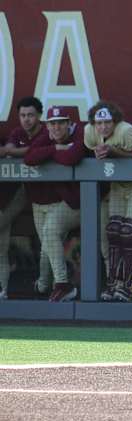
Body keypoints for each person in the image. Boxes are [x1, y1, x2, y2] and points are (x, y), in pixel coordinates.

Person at [84, 100, 132, 302]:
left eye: (107, 122)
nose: (102, 127)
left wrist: (113, 152)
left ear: (115, 121)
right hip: (118, 185)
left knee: (130, 234)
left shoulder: (126, 131)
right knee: (113, 233)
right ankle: (113, 285)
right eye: (99, 123)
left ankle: (128, 287)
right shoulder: (90, 131)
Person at [24, 106, 85, 301]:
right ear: (47, 125)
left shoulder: (80, 133)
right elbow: (29, 158)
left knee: (109, 245)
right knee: (49, 233)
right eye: (52, 123)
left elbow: (72, 157)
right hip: (73, 203)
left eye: (60, 123)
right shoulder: (49, 138)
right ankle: (62, 284)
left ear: (69, 124)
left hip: (96, 200)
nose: (56, 128)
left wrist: (50, 155)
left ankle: (113, 290)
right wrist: (55, 149)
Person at [0, 97, 50, 297]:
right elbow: (9, 151)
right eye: (22, 115)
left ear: (39, 116)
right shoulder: (17, 132)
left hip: (51, 195)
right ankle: (2, 288)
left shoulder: (47, 131)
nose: (26, 119)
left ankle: (49, 284)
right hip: (18, 193)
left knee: (48, 240)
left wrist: (13, 151)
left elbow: (33, 152)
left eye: (30, 115)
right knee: (1, 243)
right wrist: (12, 151)